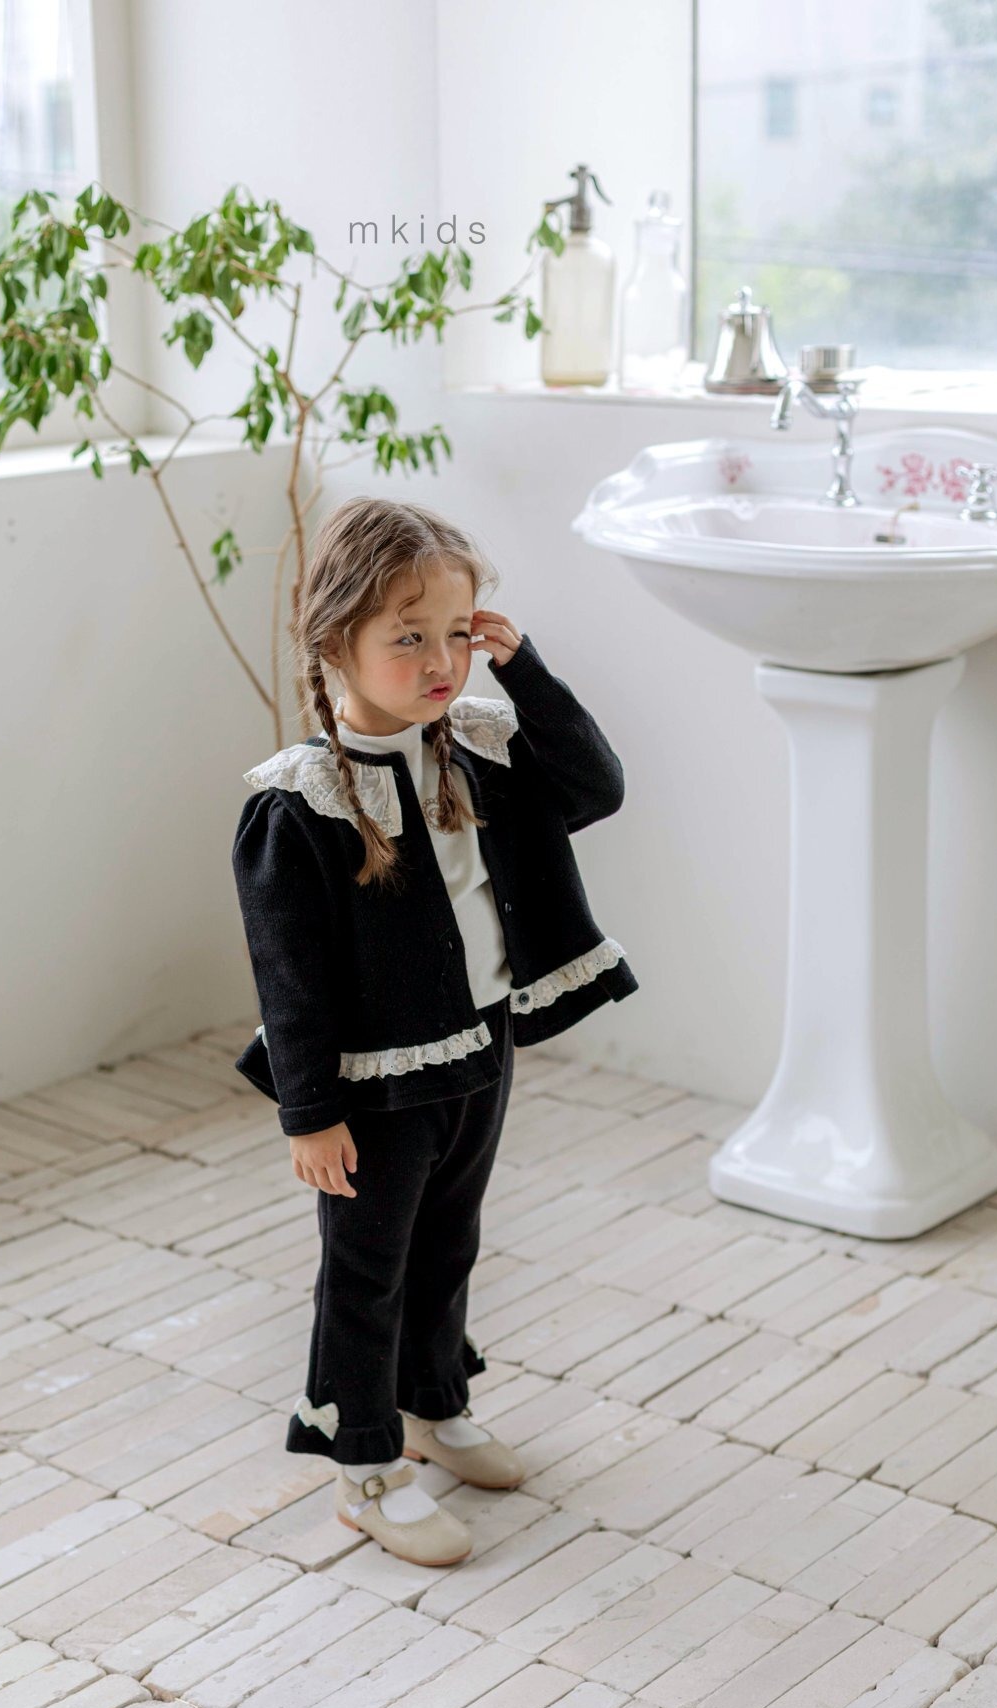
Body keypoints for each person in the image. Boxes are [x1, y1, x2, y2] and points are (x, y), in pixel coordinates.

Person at [231, 497, 638, 1566]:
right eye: (408, 636)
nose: (441, 661)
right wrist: (308, 1115)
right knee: (366, 1272)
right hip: (371, 1085)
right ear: (336, 642)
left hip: (479, 1050)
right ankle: (365, 1465)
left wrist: (524, 669)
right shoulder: (301, 803)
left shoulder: (480, 750)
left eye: (457, 632)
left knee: (448, 1243)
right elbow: (290, 980)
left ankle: (432, 1402)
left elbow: (596, 787)